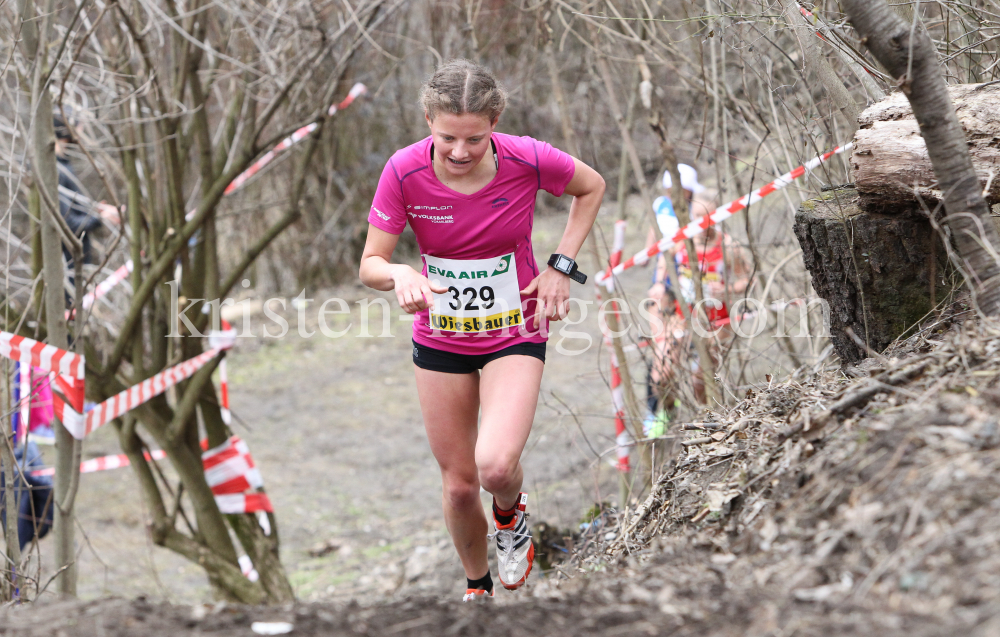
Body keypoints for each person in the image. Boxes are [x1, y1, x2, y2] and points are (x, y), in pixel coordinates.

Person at [359, 60, 605, 601]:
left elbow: (591, 187)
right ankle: (478, 587)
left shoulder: (526, 157)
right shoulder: (402, 171)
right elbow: (370, 264)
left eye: (474, 138)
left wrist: (560, 266)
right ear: (428, 120)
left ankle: (512, 517)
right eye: (447, 137)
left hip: (514, 328)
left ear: (495, 122)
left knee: (494, 468)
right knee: (460, 486)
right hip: (441, 337)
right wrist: (401, 272)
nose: (460, 151)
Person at [54, 114, 119, 267]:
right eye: (78, 131)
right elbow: (67, 224)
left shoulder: (64, 165)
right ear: (66, 132)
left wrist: (96, 211)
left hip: (76, 260)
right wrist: (100, 218)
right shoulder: (56, 171)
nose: (80, 138)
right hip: (66, 265)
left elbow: (72, 210)